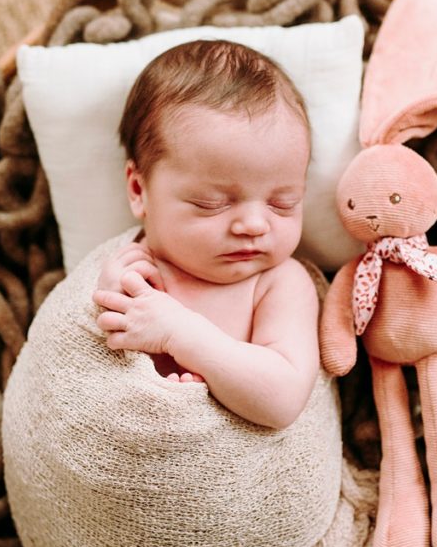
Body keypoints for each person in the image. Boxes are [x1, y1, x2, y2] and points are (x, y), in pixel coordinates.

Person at [91, 40, 321, 430]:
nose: (254, 225)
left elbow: (283, 401)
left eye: (283, 203)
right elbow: (88, 368)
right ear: (138, 190)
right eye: (211, 203)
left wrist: (182, 334)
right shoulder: (129, 265)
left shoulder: (279, 284)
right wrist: (104, 305)